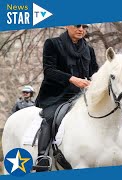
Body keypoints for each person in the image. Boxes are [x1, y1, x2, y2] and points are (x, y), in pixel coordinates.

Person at [35, 24, 99, 171]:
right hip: (56, 96)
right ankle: (42, 157)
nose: (81, 29)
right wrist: (72, 79)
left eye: (84, 26)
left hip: (81, 95)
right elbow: (49, 70)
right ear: (67, 26)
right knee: (50, 118)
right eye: (77, 25)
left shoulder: (89, 49)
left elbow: (94, 72)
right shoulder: (52, 43)